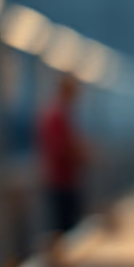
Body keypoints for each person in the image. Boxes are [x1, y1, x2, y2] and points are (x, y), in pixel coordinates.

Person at [38, 74, 86, 232]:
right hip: (61, 181)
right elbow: (60, 150)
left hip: (65, 180)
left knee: (68, 225)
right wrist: (82, 154)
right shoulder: (56, 115)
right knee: (66, 227)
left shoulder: (60, 114)